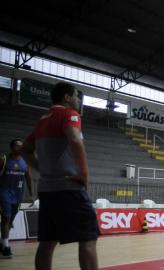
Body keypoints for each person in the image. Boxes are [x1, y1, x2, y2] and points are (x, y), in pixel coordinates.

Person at [21, 82, 99, 270]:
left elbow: (25, 150)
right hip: (69, 188)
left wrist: (44, 169)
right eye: (76, 96)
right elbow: (74, 138)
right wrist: (84, 173)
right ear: (66, 97)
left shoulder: (43, 120)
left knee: (47, 242)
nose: (78, 100)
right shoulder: (69, 114)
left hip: (47, 191)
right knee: (88, 238)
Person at [0, 139, 33, 258]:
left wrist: (31, 194)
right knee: (6, 218)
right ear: (11, 148)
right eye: (17, 146)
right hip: (4, 193)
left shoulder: (25, 162)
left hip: (18, 194)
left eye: (22, 146)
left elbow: (29, 178)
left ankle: (2, 243)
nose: (20, 148)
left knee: (10, 221)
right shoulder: (4, 159)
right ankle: (6, 248)